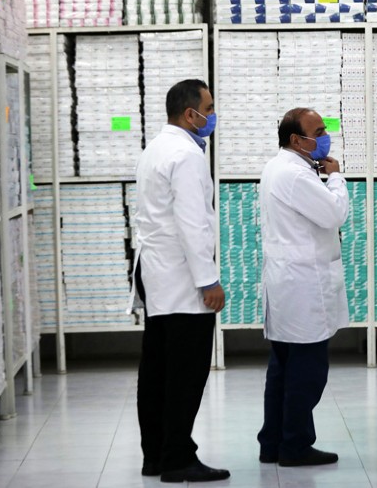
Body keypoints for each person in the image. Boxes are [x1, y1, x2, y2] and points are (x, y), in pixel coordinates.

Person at [130, 79, 229, 483]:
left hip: (156, 274)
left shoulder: (156, 147)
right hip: (182, 279)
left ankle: (154, 455)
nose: (212, 115)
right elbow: (192, 224)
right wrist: (209, 281)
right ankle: (177, 458)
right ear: (192, 114)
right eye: (209, 107)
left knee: (156, 369)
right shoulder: (187, 155)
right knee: (185, 374)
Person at [256, 107, 350, 467]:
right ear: (296, 139)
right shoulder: (296, 175)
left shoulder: (280, 166)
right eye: (318, 130)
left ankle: (273, 442)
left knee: (282, 368)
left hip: (288, 284)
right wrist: (337, 178)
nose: (325, 136)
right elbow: (333, 214)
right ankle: (294, 445)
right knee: (307, 372)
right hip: (303, 285)